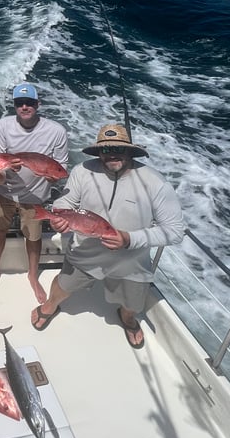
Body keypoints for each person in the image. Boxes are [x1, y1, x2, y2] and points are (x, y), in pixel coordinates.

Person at [30, 123, 185, 349]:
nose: (111, 153)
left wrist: (130, 239)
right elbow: (66, 202)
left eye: (119, 149)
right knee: (63, 285)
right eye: (105, 149)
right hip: (85, 254)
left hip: (131, 260)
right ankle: (49, 306)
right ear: (98, 151)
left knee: (133, 304)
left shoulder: (155, 183)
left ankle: (128, 319)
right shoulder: (83, 171)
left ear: (131, 151)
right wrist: (59, 217)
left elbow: (174, 231)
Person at [0, 82, 69, 302]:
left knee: (34, 236)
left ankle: (33, 275)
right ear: (14, 105)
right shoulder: (3, 125)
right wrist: (0, 172)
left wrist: (53, 177)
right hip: (4, 191)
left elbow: (60, 165)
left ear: (38, 104)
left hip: (35, 197)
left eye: (29, 102)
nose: (24, 107)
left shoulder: (56, 131)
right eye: (19, 103)